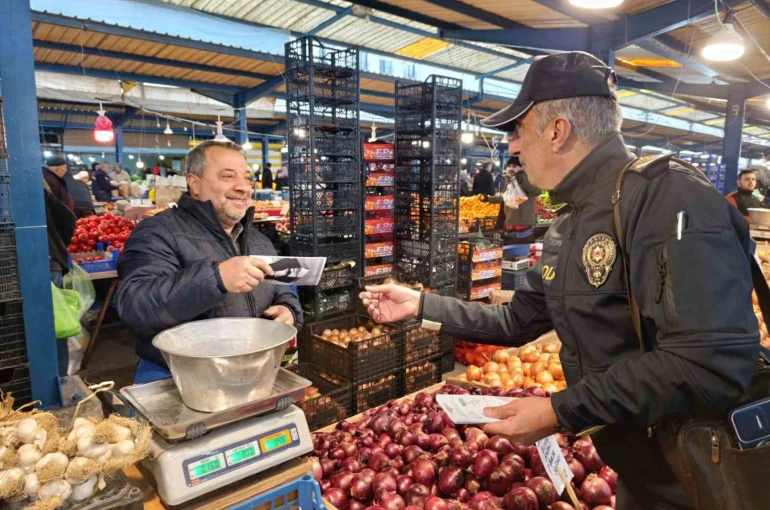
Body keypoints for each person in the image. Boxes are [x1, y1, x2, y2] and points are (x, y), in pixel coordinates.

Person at [359, 51, 758, 509]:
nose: (512, 147)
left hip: (703, 483)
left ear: (557, 130)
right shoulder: (571, 224)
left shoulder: (668, 199)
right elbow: (516, 322)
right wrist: (421, 305)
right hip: (640, 473)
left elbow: (707, 362)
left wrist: (558, 410)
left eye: (519, 130)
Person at [116, 140, 303, 384]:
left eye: (247, 178)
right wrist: (216, 278)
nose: (243, 187)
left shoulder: (259, 241)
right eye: (227, 176)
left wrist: (288, 310)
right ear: (195, 184)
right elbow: (136, 306)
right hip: (179, 380)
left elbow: (282, 291)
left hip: (253, 374)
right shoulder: (158, 232)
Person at [484, 156, 541, 242]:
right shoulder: (510, 180)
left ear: (521, 167)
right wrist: (488, 199)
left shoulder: (527, 178)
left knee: (523, 253)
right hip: (509, 223)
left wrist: (521, 180)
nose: (511, 168)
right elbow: (506, 198)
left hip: (522, 224)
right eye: (509, 166)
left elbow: (537, 191)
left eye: (514, 166)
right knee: (509, 252)